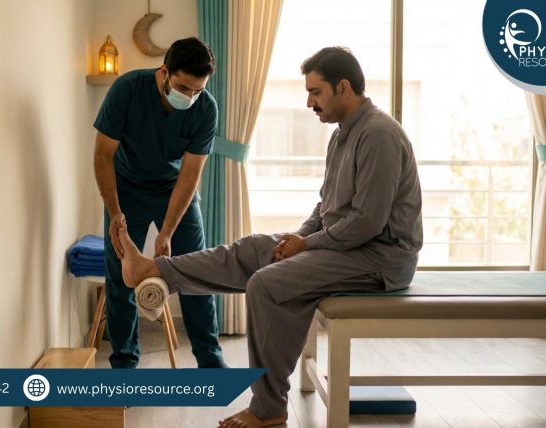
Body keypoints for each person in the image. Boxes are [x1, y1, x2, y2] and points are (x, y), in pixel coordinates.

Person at [116, 46, 423, 428]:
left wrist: (306, 246)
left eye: (316, 92)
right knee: (257, 248)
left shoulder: (378, 135)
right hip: (346, 247)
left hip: (379, 259)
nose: (309, 102)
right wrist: (295, 238)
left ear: (343, 87)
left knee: (266, 283)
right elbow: (326, 208)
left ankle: (269, 407)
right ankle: (157, 269)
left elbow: (367, 223)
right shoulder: (342, 136)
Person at [92, 37, 227, 369]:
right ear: (164, 71)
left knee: (196, 271)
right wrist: (115, 214)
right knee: (121, 276)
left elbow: (191, 172)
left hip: (173, 188)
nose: (190, 97)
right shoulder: (127, 90)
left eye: (197, 90)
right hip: (126, 189)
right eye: (183, 87)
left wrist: (166, 232)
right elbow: (102, 155)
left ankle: (210, 359)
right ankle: (124, 364)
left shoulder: (206, 108)